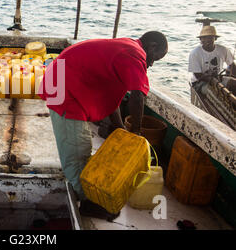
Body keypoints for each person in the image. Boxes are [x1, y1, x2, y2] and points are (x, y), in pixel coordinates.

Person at [38, 31, 168, 221]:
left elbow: (111, 98)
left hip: (64, 75)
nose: (152, 64)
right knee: (77, 150)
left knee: (80, 145)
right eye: (156, 58)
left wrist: (121, 128)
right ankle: (88, 203)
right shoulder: (135, 54)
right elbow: (138, 96)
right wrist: (136, 134)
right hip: (64, 85)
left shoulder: (127, 48)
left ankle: (87, 195)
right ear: (153, 46)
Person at [188, 25, 235, 94]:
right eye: (204, 38)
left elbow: (232, 65)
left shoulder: (223, 50)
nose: (207, 40)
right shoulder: (195, 53)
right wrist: (215, 82)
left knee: (234, 83)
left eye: (210, 37)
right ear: (200, 39)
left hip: (217, 78)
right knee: (215, 91)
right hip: (200, 82)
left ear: (215, 38)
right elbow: (198, 76)